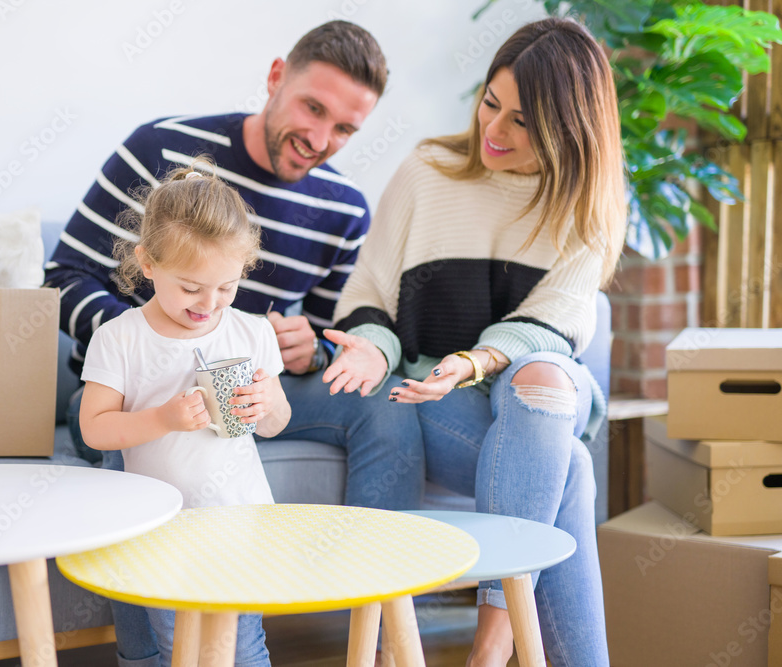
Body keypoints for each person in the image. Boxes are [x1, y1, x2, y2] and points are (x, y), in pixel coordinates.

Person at [44, 20, 425, 667]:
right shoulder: (160, 147)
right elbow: (61, 277)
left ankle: (381, 623)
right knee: (142, 462)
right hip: (138, 383)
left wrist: (317, 349)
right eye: (312, 108)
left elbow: (331, 325)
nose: (320, 139)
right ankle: (148, 651)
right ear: (277, 77)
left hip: (245, 372)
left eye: (344, 129)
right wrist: (152, 339)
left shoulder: (343, 208)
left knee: (385, 404)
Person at [321, 18, 624, 667]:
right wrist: (372, 345)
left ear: (570, 130)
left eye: (524, 122)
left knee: (541, 375)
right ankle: (502, 650)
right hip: (424, 397)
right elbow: (369, 288)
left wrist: (473, 361)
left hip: (516, 403)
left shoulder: (585, 211)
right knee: (569, 467)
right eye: (492, 103)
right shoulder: (428, 172)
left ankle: (489, 647)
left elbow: (555, 326)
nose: (494, 130)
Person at [79, 163, 288, 667]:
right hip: (162, 530)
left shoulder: (251, 331)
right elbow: (95, 427)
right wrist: (163, 419)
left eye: (226, 287)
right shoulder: (121, 338)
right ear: (147, 263)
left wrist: (266, 406)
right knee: (182, 650)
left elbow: (278, 421)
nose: (209, 303)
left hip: (242, 520)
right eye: (192, 288)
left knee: (244, 644)